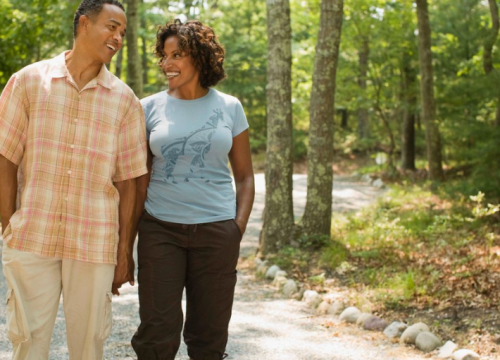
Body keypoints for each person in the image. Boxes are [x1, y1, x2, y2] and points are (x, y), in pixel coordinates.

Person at [0, 0, 148, 359]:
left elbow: (130, 181)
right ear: (83, 24)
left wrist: (124, 250)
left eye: (123, 33)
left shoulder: (125, 101)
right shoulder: (29, 81)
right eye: (111, 27)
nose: (118, 37)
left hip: (94, 240)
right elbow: (5, 158)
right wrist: (9, 223)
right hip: (33, 234)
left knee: (89, 344)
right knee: (28, 341)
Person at [130, 19, 255, 360]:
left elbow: (244, 176)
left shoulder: (229, 107)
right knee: (157, 330)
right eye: (164, 55)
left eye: (177, 55)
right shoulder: (147, 107)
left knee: (209, 333)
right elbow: (139, 177)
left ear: (200, 57)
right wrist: (127, 238)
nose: (166, 64)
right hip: (160, 230)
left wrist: (236, 229)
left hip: (217, 231)